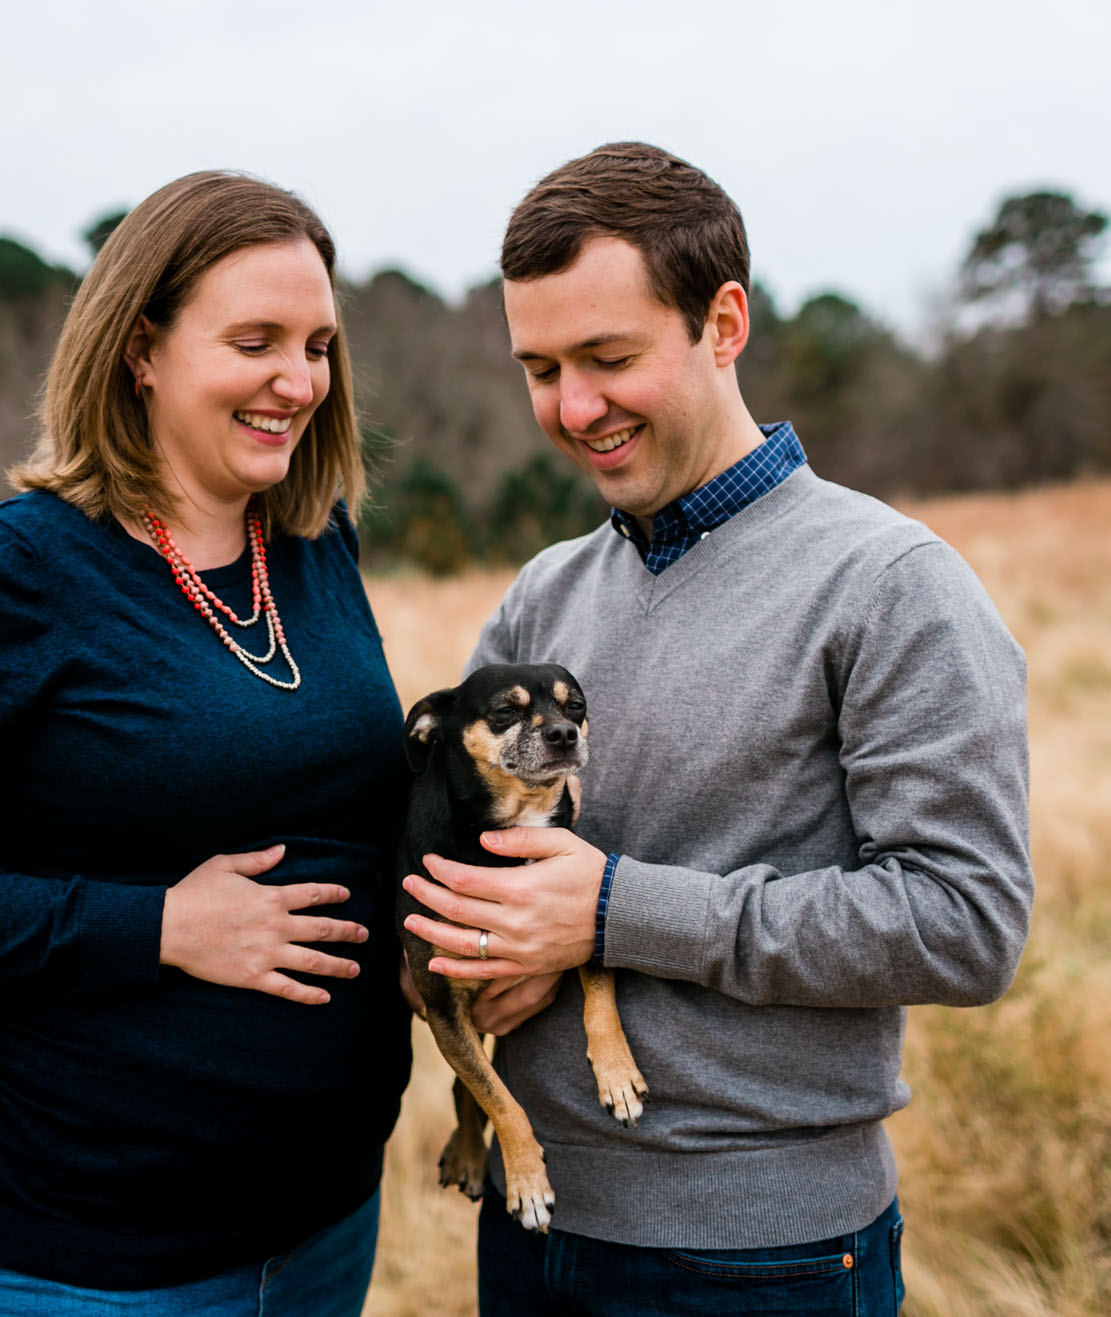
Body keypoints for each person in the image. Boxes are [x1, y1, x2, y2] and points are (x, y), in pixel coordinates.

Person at [401, 142, 1033, 1316]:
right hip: (531, 1231)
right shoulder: (540, 597)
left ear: (723, 322)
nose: (571, 407)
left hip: (761, 1260)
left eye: (607, 358)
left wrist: (612, 911)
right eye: (538, 368)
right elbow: (471, 866)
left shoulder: (890, 584)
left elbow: (965, 924)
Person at [0, 171, 413, 1315]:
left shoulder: (312, 543)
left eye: (317, 345)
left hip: (318, 1221)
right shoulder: (9, 571)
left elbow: (340, 802)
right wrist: (157, 926)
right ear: (141, 348)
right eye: (254, 341)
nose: (298, 382)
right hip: (66, 1246)